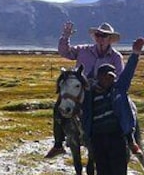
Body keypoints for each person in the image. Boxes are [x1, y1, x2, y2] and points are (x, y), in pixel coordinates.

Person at [82, 37, 144, 175]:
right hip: (98, 138)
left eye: (112, 76)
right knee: (103, 172)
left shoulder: (119, 90)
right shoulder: (90, 94)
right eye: (106, 76)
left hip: (116, 137)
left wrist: (135, 54)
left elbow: (129, 73)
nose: (110, 79)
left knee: (118, 173)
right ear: (99, 78)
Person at [45, 21, 125, 159]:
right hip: (79, 89)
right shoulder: (83, 50)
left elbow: (120, 78)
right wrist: (65, 36)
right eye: (98, 35)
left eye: (104, 36)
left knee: (121, 108)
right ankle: (58, 144)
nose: (100, 38)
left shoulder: (116, 57)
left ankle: (126, 138)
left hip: (102, 91)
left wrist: (104, 84)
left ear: (110, 39)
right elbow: (65, 52)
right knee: (59, 106)